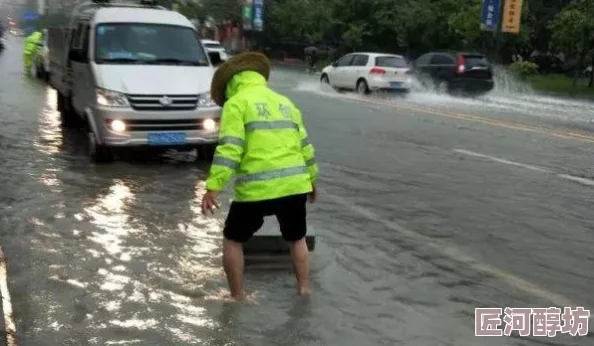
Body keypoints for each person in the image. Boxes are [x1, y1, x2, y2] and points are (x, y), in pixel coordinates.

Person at [201, 51, 319, 300]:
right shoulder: (286, 103)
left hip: (256, 190)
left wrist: (214, 187)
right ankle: (305, 290)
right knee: (297, 238)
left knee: (232, 239)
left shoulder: (236, 104)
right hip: (294, 186)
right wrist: (312, 180)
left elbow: (229, 148)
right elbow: (305, 146)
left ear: (231, 84)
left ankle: (237, 296)